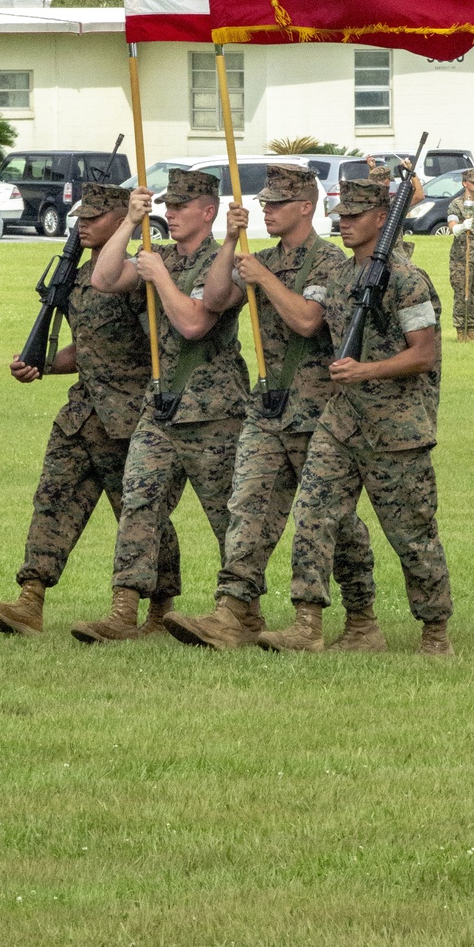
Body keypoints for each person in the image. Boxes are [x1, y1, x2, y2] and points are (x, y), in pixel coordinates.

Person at [162, 165, 380, 652]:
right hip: (267, 410)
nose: (267, 210)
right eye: (264, 203)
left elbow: (308, 320)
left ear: (306, 207)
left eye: (277, 204)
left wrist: (263, 278)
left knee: (329, 519)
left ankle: (359, 619)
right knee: (248, 507)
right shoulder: (255, 256)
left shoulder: (329, 263)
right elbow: (217, 298)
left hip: (318, 410)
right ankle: (231, 612)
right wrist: (230, 242)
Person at [257, 177, 453, 656]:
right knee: (314, 516)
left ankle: (435, 633)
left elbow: (423, 355)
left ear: (381, 219)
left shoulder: (409, 281)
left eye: (354, 216)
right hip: (341, 422)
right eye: (340, 216)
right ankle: (311, 624)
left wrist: (366, 371)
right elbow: (308, 321)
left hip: (396, 429)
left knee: (412, 534)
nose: (343, 223)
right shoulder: (342, 277)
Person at [0, 183, 181, 637]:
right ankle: (30, 600)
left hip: (130, 416)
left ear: (119, 219)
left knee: (141, 515)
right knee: (53, 500)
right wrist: (42, 364)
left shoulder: (136, 276)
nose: (82, 225)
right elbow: (87, 349)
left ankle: (159, 609)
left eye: (94, 218)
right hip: (83, 413)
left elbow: (165, 346)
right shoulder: (76, 279)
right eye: (80, 219)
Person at [78, 168, 250, 643]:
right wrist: (131, 223)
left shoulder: (229, 260)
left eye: (179, 207)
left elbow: (195, 324)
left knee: (227, 517)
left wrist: (159, 279)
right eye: (166, 206)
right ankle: (123, 610)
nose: (169, 214)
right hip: (162, 408)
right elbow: (104, 278)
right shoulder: (161, 256)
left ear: (208, 212)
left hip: (213, 410)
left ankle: (239, 611)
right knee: (138, 503)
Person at [447, 168, 474, 340]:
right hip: (462, 257)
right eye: (473, 182)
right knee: (462, 293)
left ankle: (472, 328)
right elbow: (452, 226)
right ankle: (460, 329)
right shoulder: (456, 204)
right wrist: (461, 227)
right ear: (465, 183)